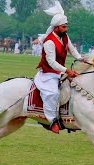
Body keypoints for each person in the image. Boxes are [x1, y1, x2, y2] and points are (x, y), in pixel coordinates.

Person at [33, 1, 83, 134]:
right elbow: (52, 63)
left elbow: (72, 50)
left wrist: (81, 59)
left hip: (59, 72)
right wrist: (67, 70)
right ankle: (52, 121)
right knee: (52, 94)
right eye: (63, 27)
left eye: (66, 26)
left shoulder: (64, 36)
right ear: (56, 27)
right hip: (48, 73)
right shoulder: (49, 41)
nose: (66, 29)